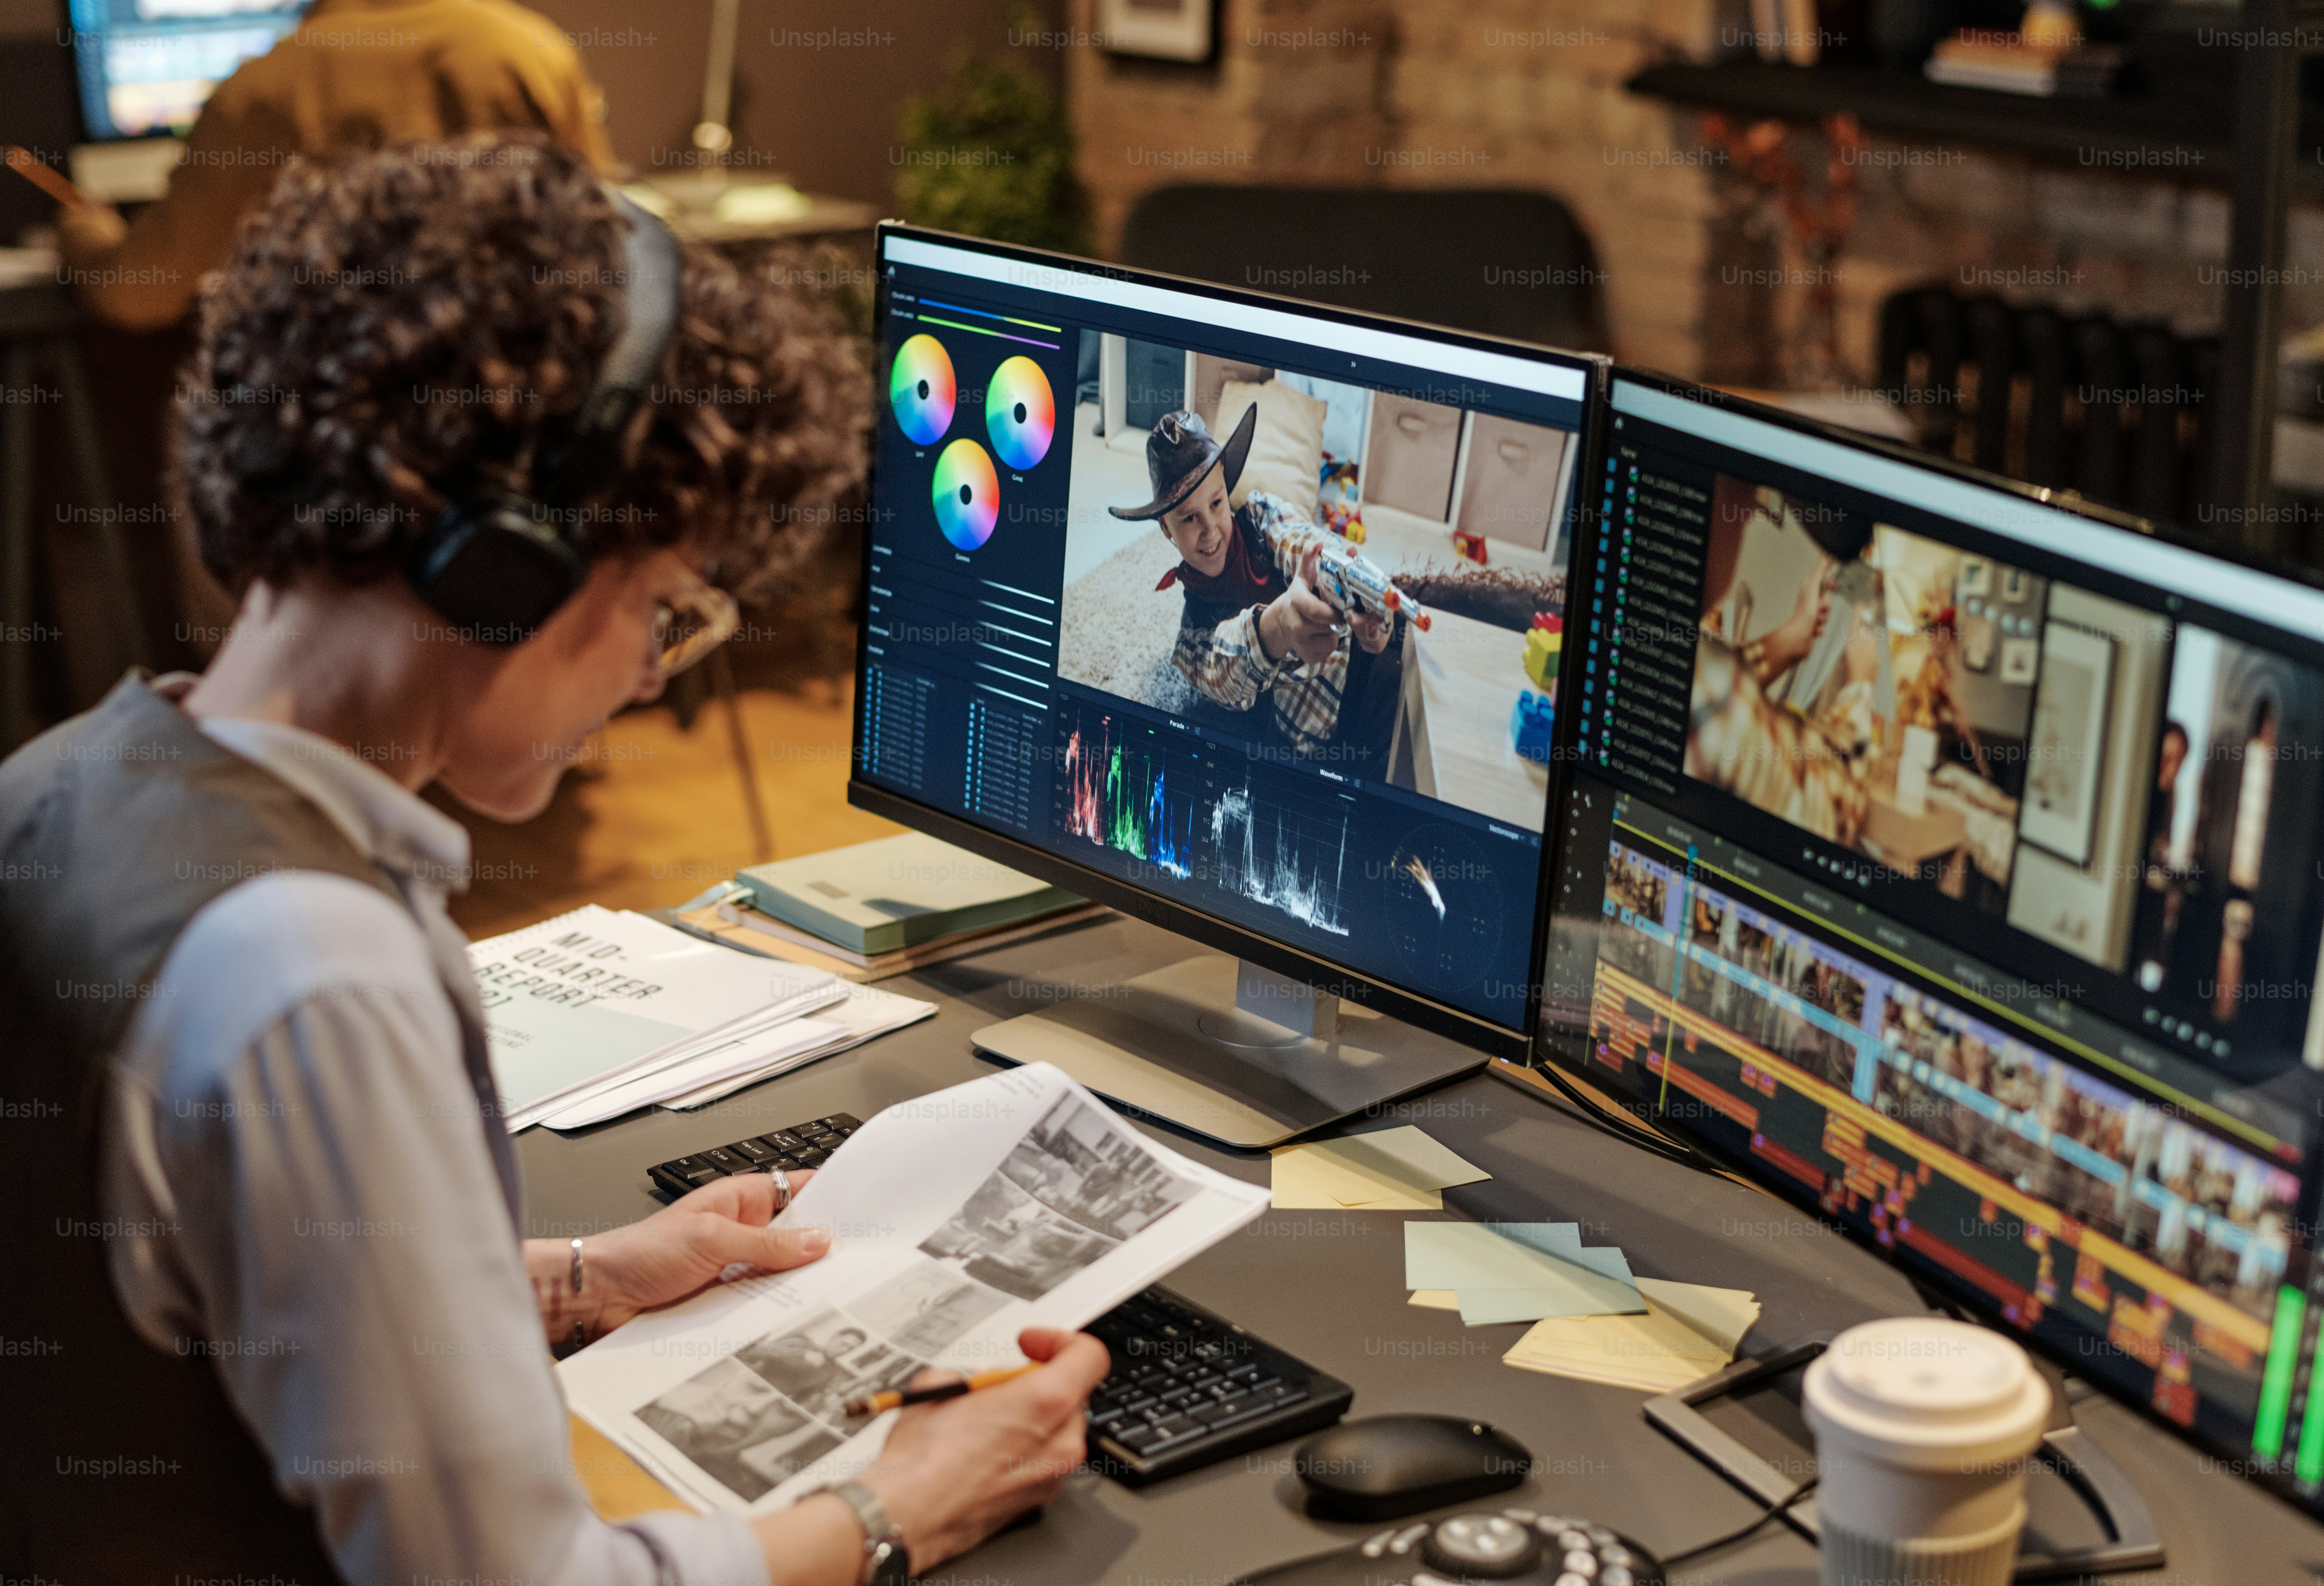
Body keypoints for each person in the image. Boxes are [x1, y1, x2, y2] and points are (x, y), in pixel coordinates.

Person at [0, 136, 1107, 1585]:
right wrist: (907, 1504)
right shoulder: (317, 976)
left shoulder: (69, 775)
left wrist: (586, 1275)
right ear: (507, 564)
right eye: (663, 605)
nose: (653, 676)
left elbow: (243, 1269)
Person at [55, 0, 616, 331]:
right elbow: (614, 234)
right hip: (532, 407)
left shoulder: (261, 93)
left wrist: (85, 231)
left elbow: (143, 291)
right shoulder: (528, 50)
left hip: (351, 446)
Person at [1111, 407, 1406, 769]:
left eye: (1217, 503)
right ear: (1167, 529)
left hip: (1368, 663)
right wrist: (1278, 626)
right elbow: (1224, 670)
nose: (1211, 529)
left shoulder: (1262, 516)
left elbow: (1300, 540)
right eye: (1189, 518)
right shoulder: (1193, 641)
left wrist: (1354, 592)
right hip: (1327, 744)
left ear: (1226, 488)